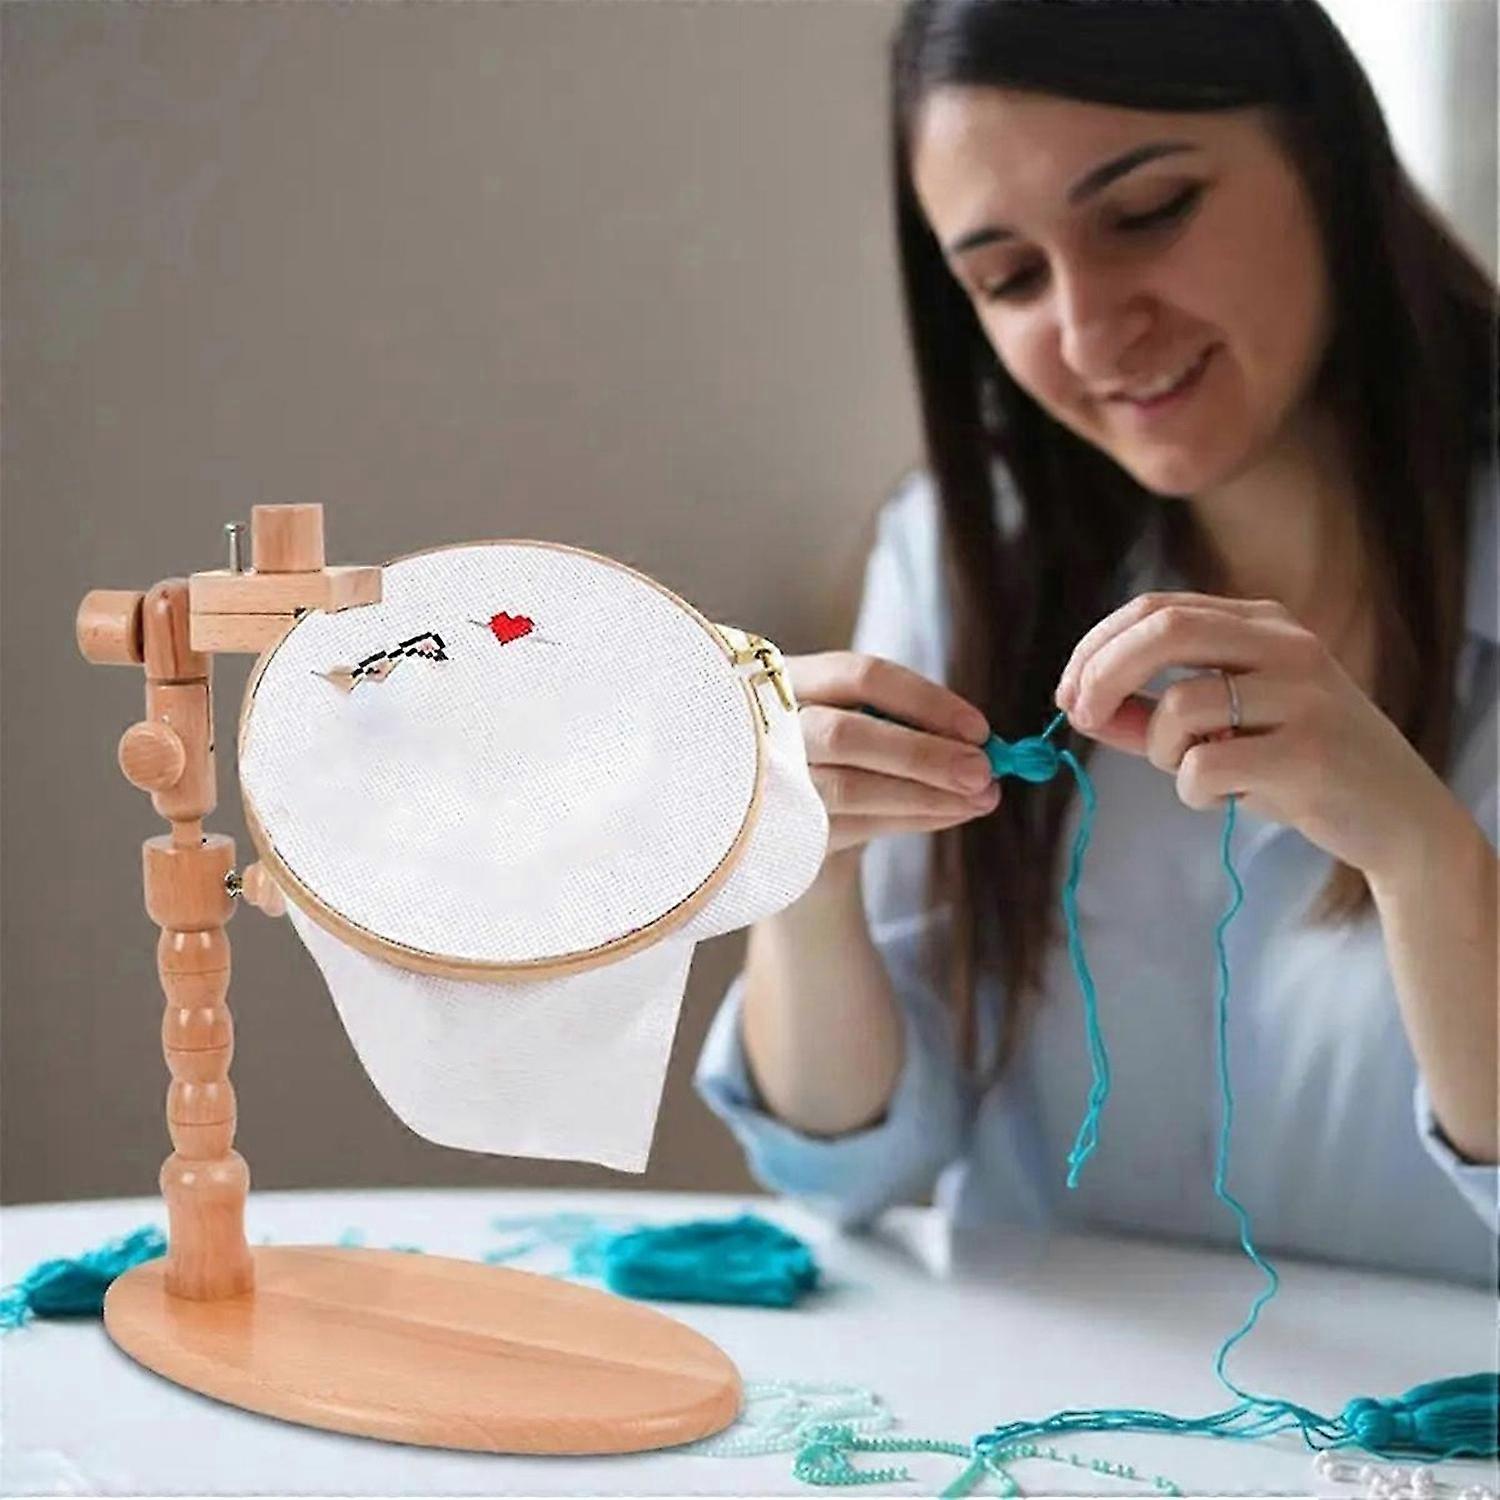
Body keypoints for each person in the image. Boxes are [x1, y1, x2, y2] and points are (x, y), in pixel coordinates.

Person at [694, 0, 1497, 1287]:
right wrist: (804, 876)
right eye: (1010, 279)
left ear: (1329, 151)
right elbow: (845, 1168)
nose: (1089, 332)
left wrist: (1426, 859)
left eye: (1146, 213)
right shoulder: (965, 557)